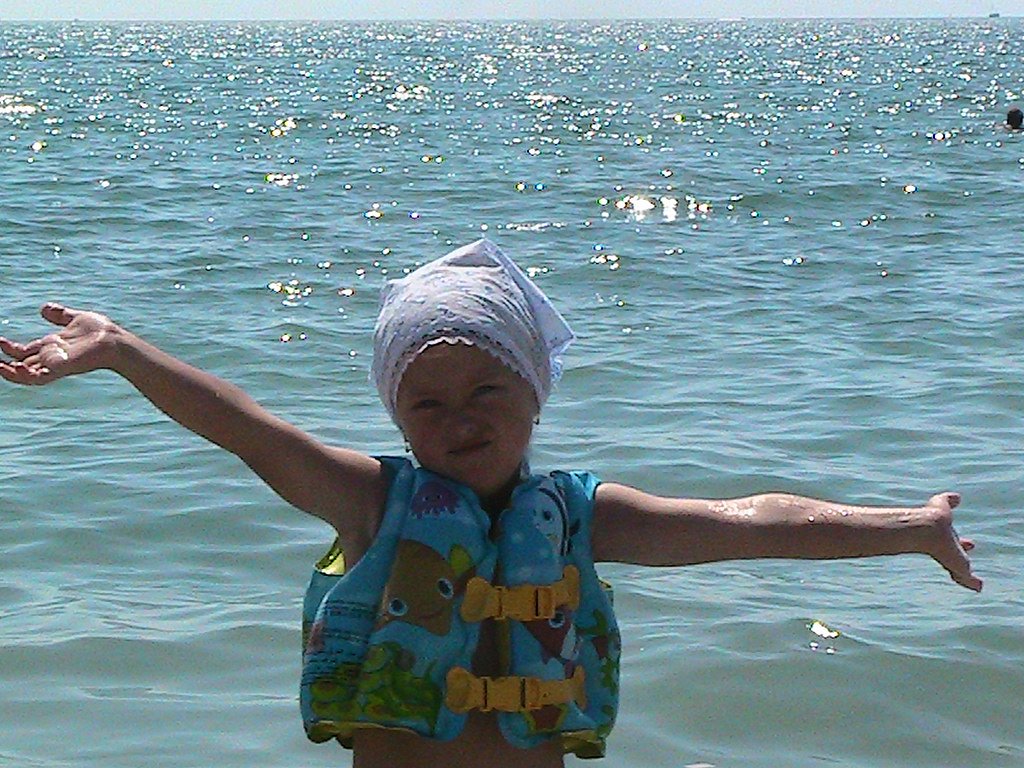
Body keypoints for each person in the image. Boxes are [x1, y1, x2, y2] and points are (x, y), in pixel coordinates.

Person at [0, 239, 981, 768]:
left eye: (486, 392)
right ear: (397, 414)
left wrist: (908, 529)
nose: (460, 419)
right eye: (426, 403)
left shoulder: (580, 517)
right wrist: (122, 352)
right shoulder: (372, 503)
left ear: (533, 394)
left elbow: (749, 524)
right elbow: (249, 428)